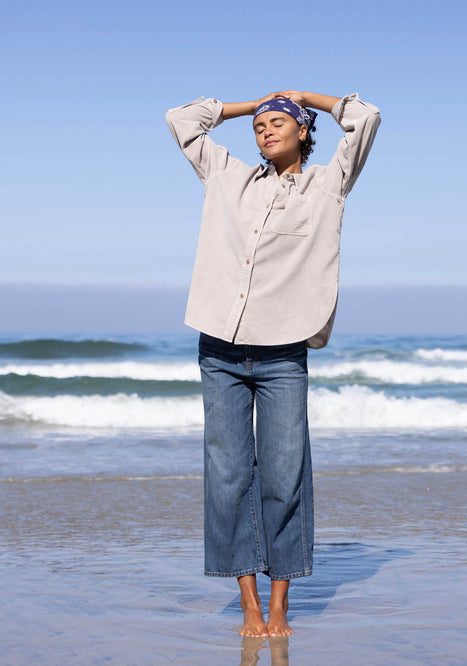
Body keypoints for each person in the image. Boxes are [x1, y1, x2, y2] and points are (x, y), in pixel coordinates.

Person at [165, 90, 380, 637]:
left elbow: (366, 118)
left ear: (305, 132)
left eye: (279, 122)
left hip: (284, 352)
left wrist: (308, 97)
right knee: (229, 475)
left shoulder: (328, 184)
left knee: (284, 478)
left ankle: (281, 604)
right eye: (260, 126)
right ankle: (249, 605)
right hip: (219, 349)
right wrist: (252, 103)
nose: (265, 130)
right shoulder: (227, 176)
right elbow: (182, 120)